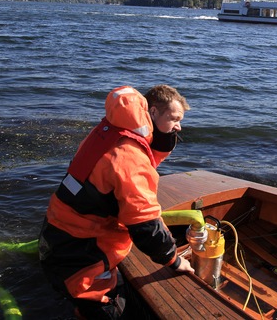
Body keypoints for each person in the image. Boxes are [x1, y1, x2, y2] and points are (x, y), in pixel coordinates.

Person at [38, 85, 193, 319]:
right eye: (174, 119)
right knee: (109, 312)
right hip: (81, 252)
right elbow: (146, 227)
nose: (178, 126)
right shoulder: (130, 158)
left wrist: (163, 142)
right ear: (152, 113)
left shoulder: (108, 132)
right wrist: (174, 260)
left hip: (58, 232)